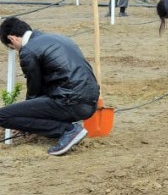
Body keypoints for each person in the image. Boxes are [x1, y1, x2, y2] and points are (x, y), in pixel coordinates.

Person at [0, 17, 99, 156]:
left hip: (70, 101)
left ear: (12, 39)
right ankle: (67, 128)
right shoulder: (57, 38)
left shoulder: (28, 50)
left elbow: (34, 89)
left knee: (2, 116)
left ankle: (67, 130)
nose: (16, 50)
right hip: (91, 101)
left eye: (13, 48)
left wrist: (23, 119)